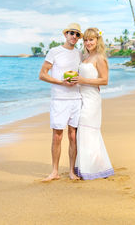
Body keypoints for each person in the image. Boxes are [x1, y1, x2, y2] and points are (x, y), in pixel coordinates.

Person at [39, 23, 83, 181]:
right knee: (57, 136)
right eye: (72, 33)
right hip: (59, 99)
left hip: (76, 99)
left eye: (77, 35)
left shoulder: (79, 54)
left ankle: (71, 171)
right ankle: (54, 171)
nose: (74, 36)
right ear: (65, 34)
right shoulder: (54, 51)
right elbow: (42, 74)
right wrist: (61, 82)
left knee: (73, 136)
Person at [73, 27, 114, 180]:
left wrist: (83, 81)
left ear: (97, 40)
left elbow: (104, 80)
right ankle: (89, 167)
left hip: (92, 99)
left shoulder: (99, 58)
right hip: (81, 98)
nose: (88, 42)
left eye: (91, 39)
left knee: (88, 130)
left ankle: (95, 168)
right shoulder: (84, 57)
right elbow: (81, 77)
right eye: (85, 40)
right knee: (84, 132)